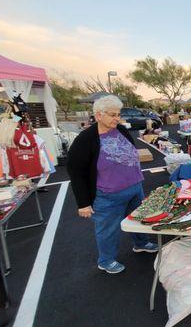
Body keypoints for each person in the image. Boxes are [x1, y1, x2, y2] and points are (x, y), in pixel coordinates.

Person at [67, 95, 157, 274]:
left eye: (118, 114)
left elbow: (131, 150)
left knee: (138, 219)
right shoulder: (85, 139)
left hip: (134, 188)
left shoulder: (121, 129)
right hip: (108, 195)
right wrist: (83, 203)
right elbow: (75, 171)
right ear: (98, 115)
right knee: (108, 230)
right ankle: (106, 260)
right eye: (113, 114)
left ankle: (140, 244)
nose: (117, 118)